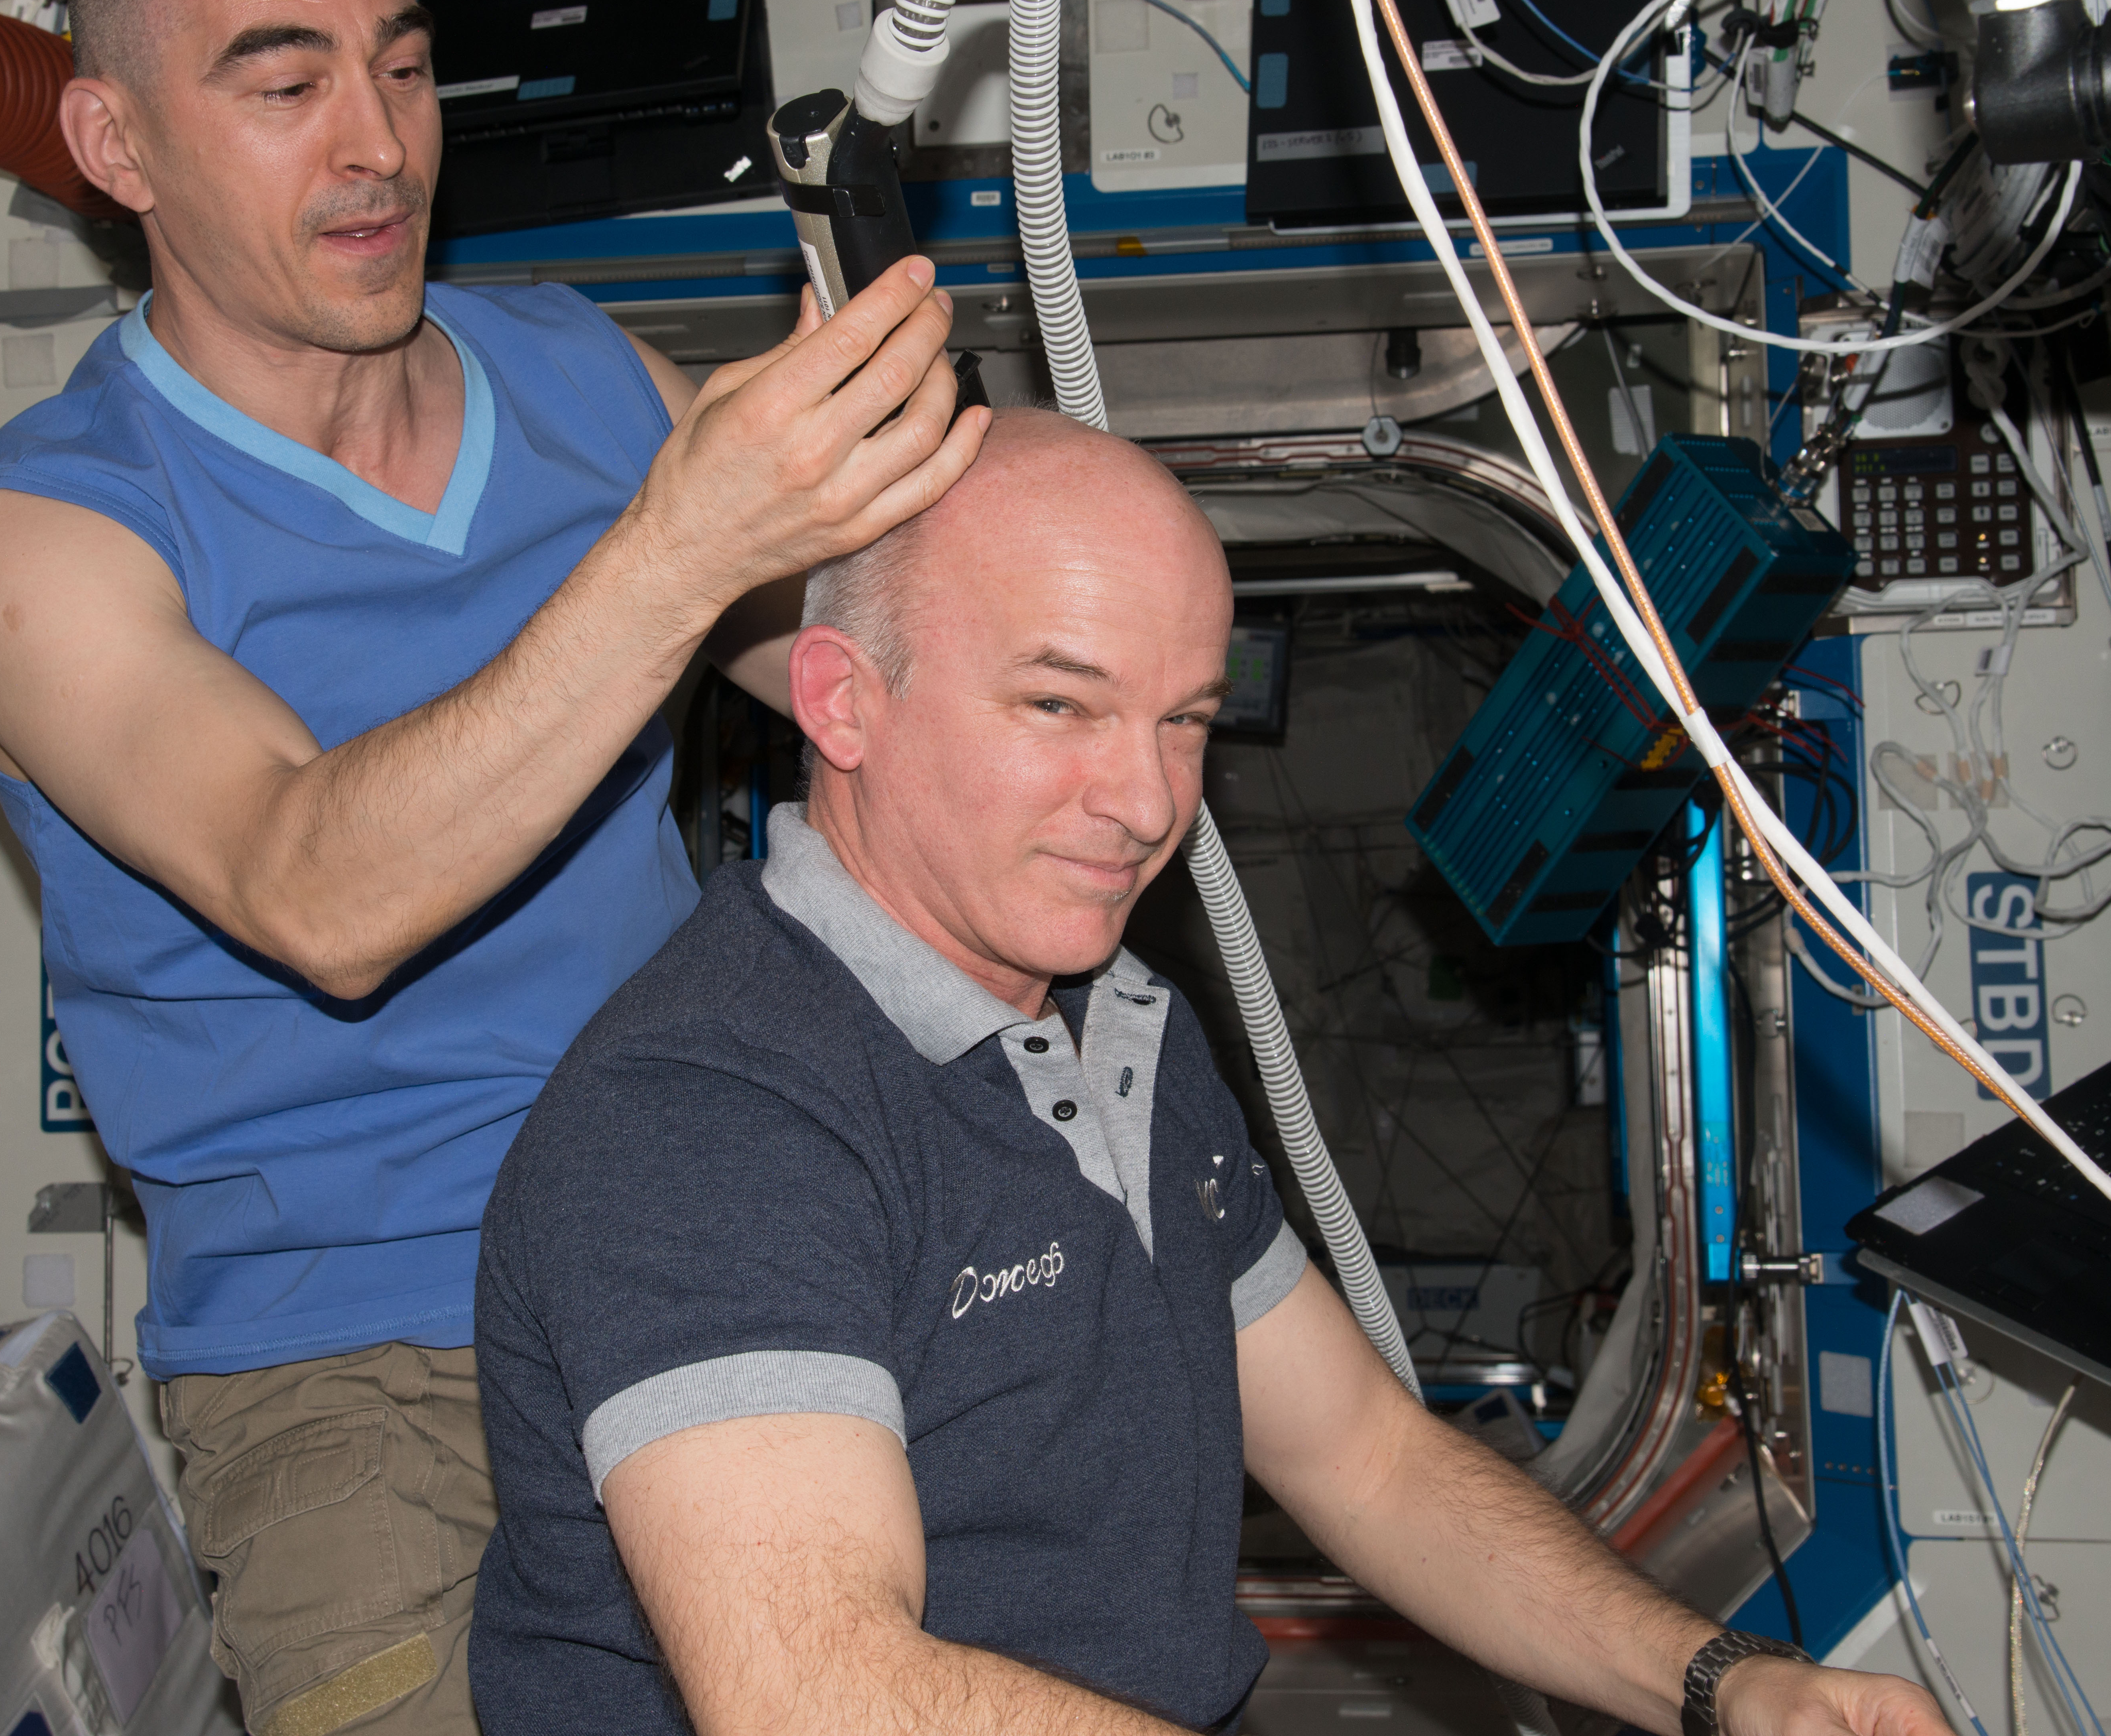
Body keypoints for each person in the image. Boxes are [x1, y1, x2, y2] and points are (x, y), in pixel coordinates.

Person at [0, 0, 985, 1736]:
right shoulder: (32, 534)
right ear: (119, 140)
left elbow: (856, 678)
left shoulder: (569, 372)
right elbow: (315, 892)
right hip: (355, 1366)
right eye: (282, 78)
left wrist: (1000, 578)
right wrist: (678, 542)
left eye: (401, 69)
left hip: (715, 1233)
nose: (377, 144)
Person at [466, 411, 1956, 1736]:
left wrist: (1720, 1682)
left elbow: (1366, 1460)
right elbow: (813, 1691)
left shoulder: (1125, 1024)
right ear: (843, 702)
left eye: (1185, 719)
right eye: (1061, 706)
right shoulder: (711, 1112)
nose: (1145, 802)